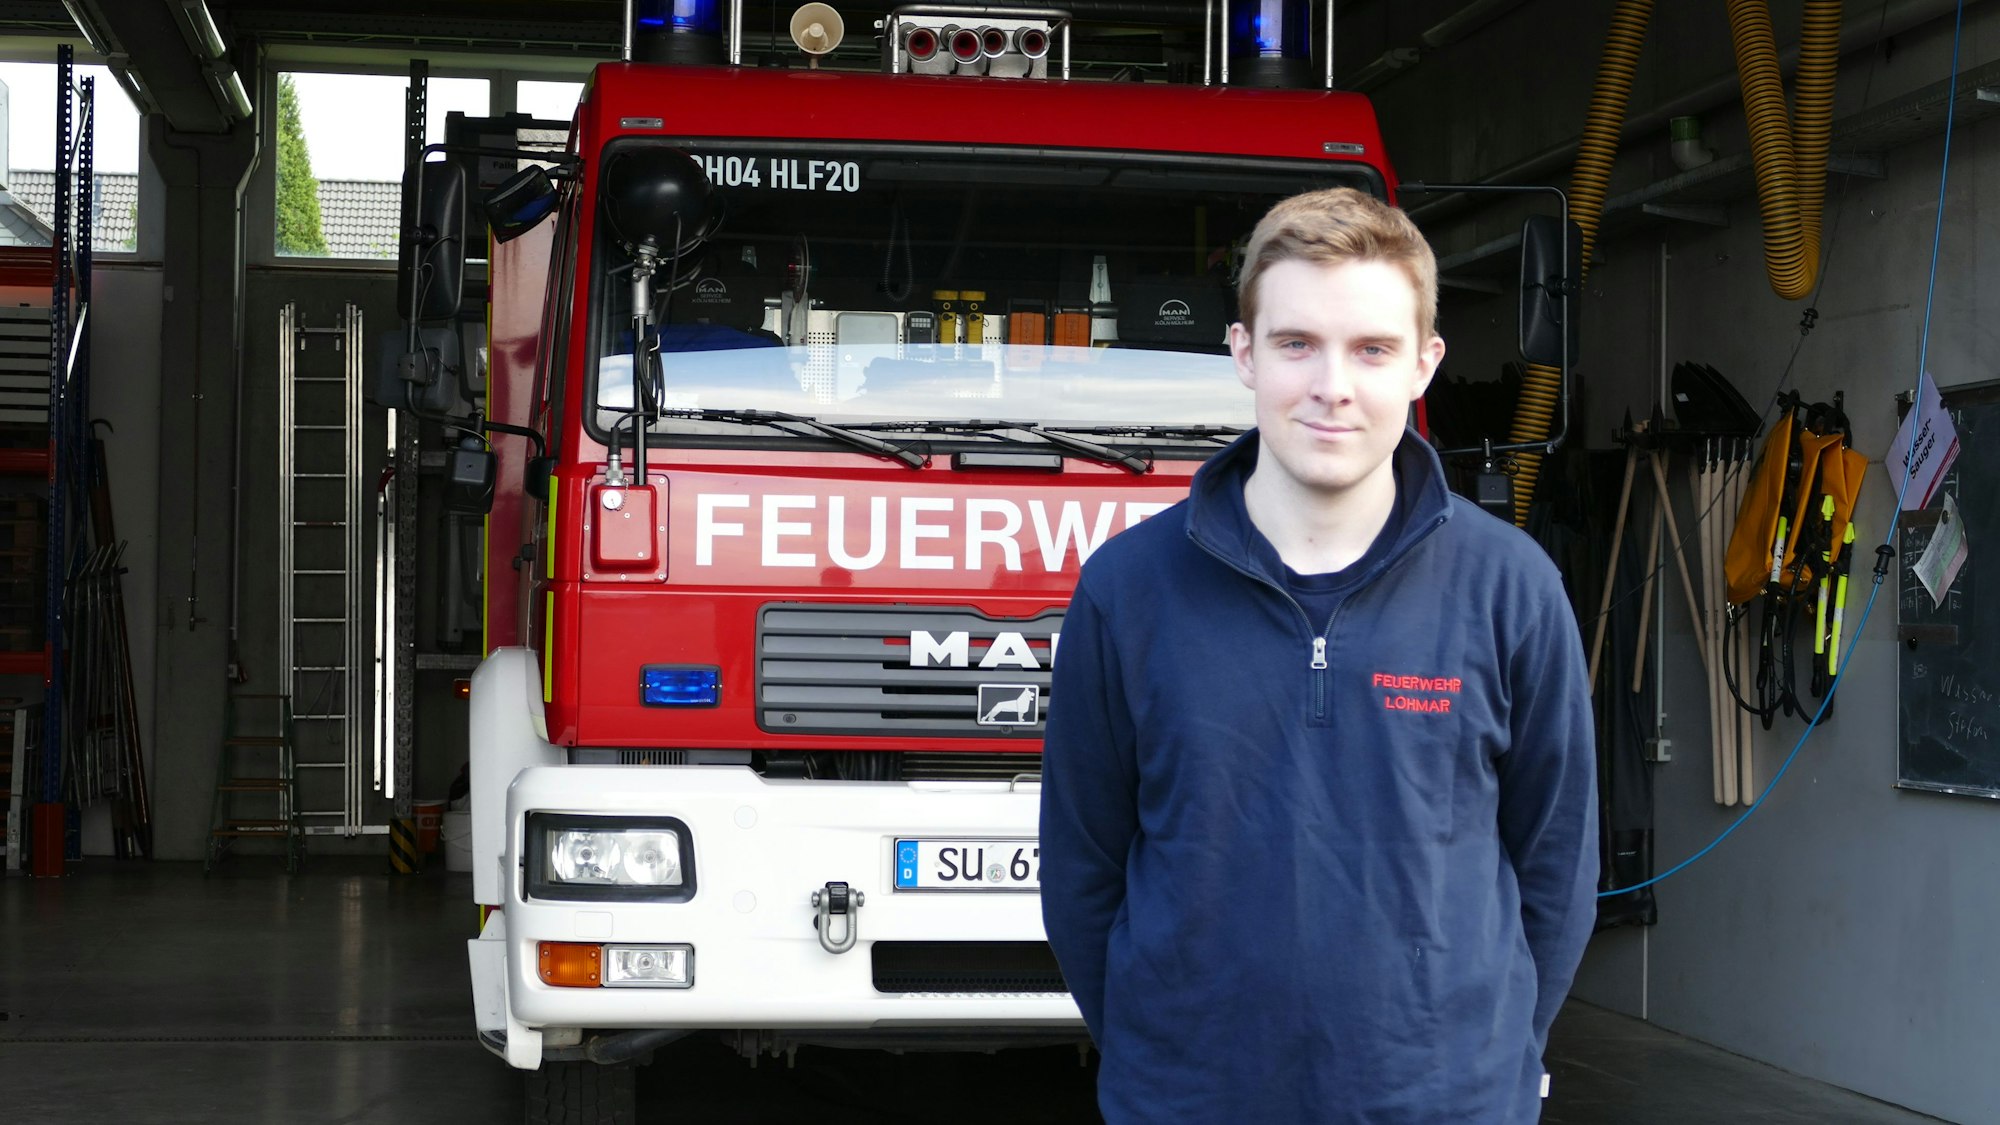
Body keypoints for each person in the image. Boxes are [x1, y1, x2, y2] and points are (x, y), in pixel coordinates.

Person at [1039, 186, 1597, 1124]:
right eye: (1297, 343)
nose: (1332, 385)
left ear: (1424, 365)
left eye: (1372, 349)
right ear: (1244, 353)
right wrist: (1164, 1056)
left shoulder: (1513, 590)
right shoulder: (1127, 591)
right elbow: (1081, 872)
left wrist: (1482, 1057)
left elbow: (1559, 868)